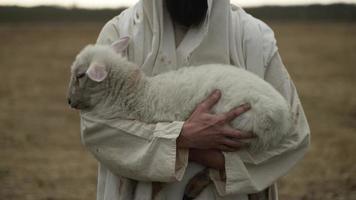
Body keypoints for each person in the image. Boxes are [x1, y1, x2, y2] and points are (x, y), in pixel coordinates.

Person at [80, 0, 310, 199]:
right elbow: (97, 128)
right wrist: (180, 139)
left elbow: (295, 134)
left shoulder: (252, 36)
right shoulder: (120, 32)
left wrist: (221, 161)